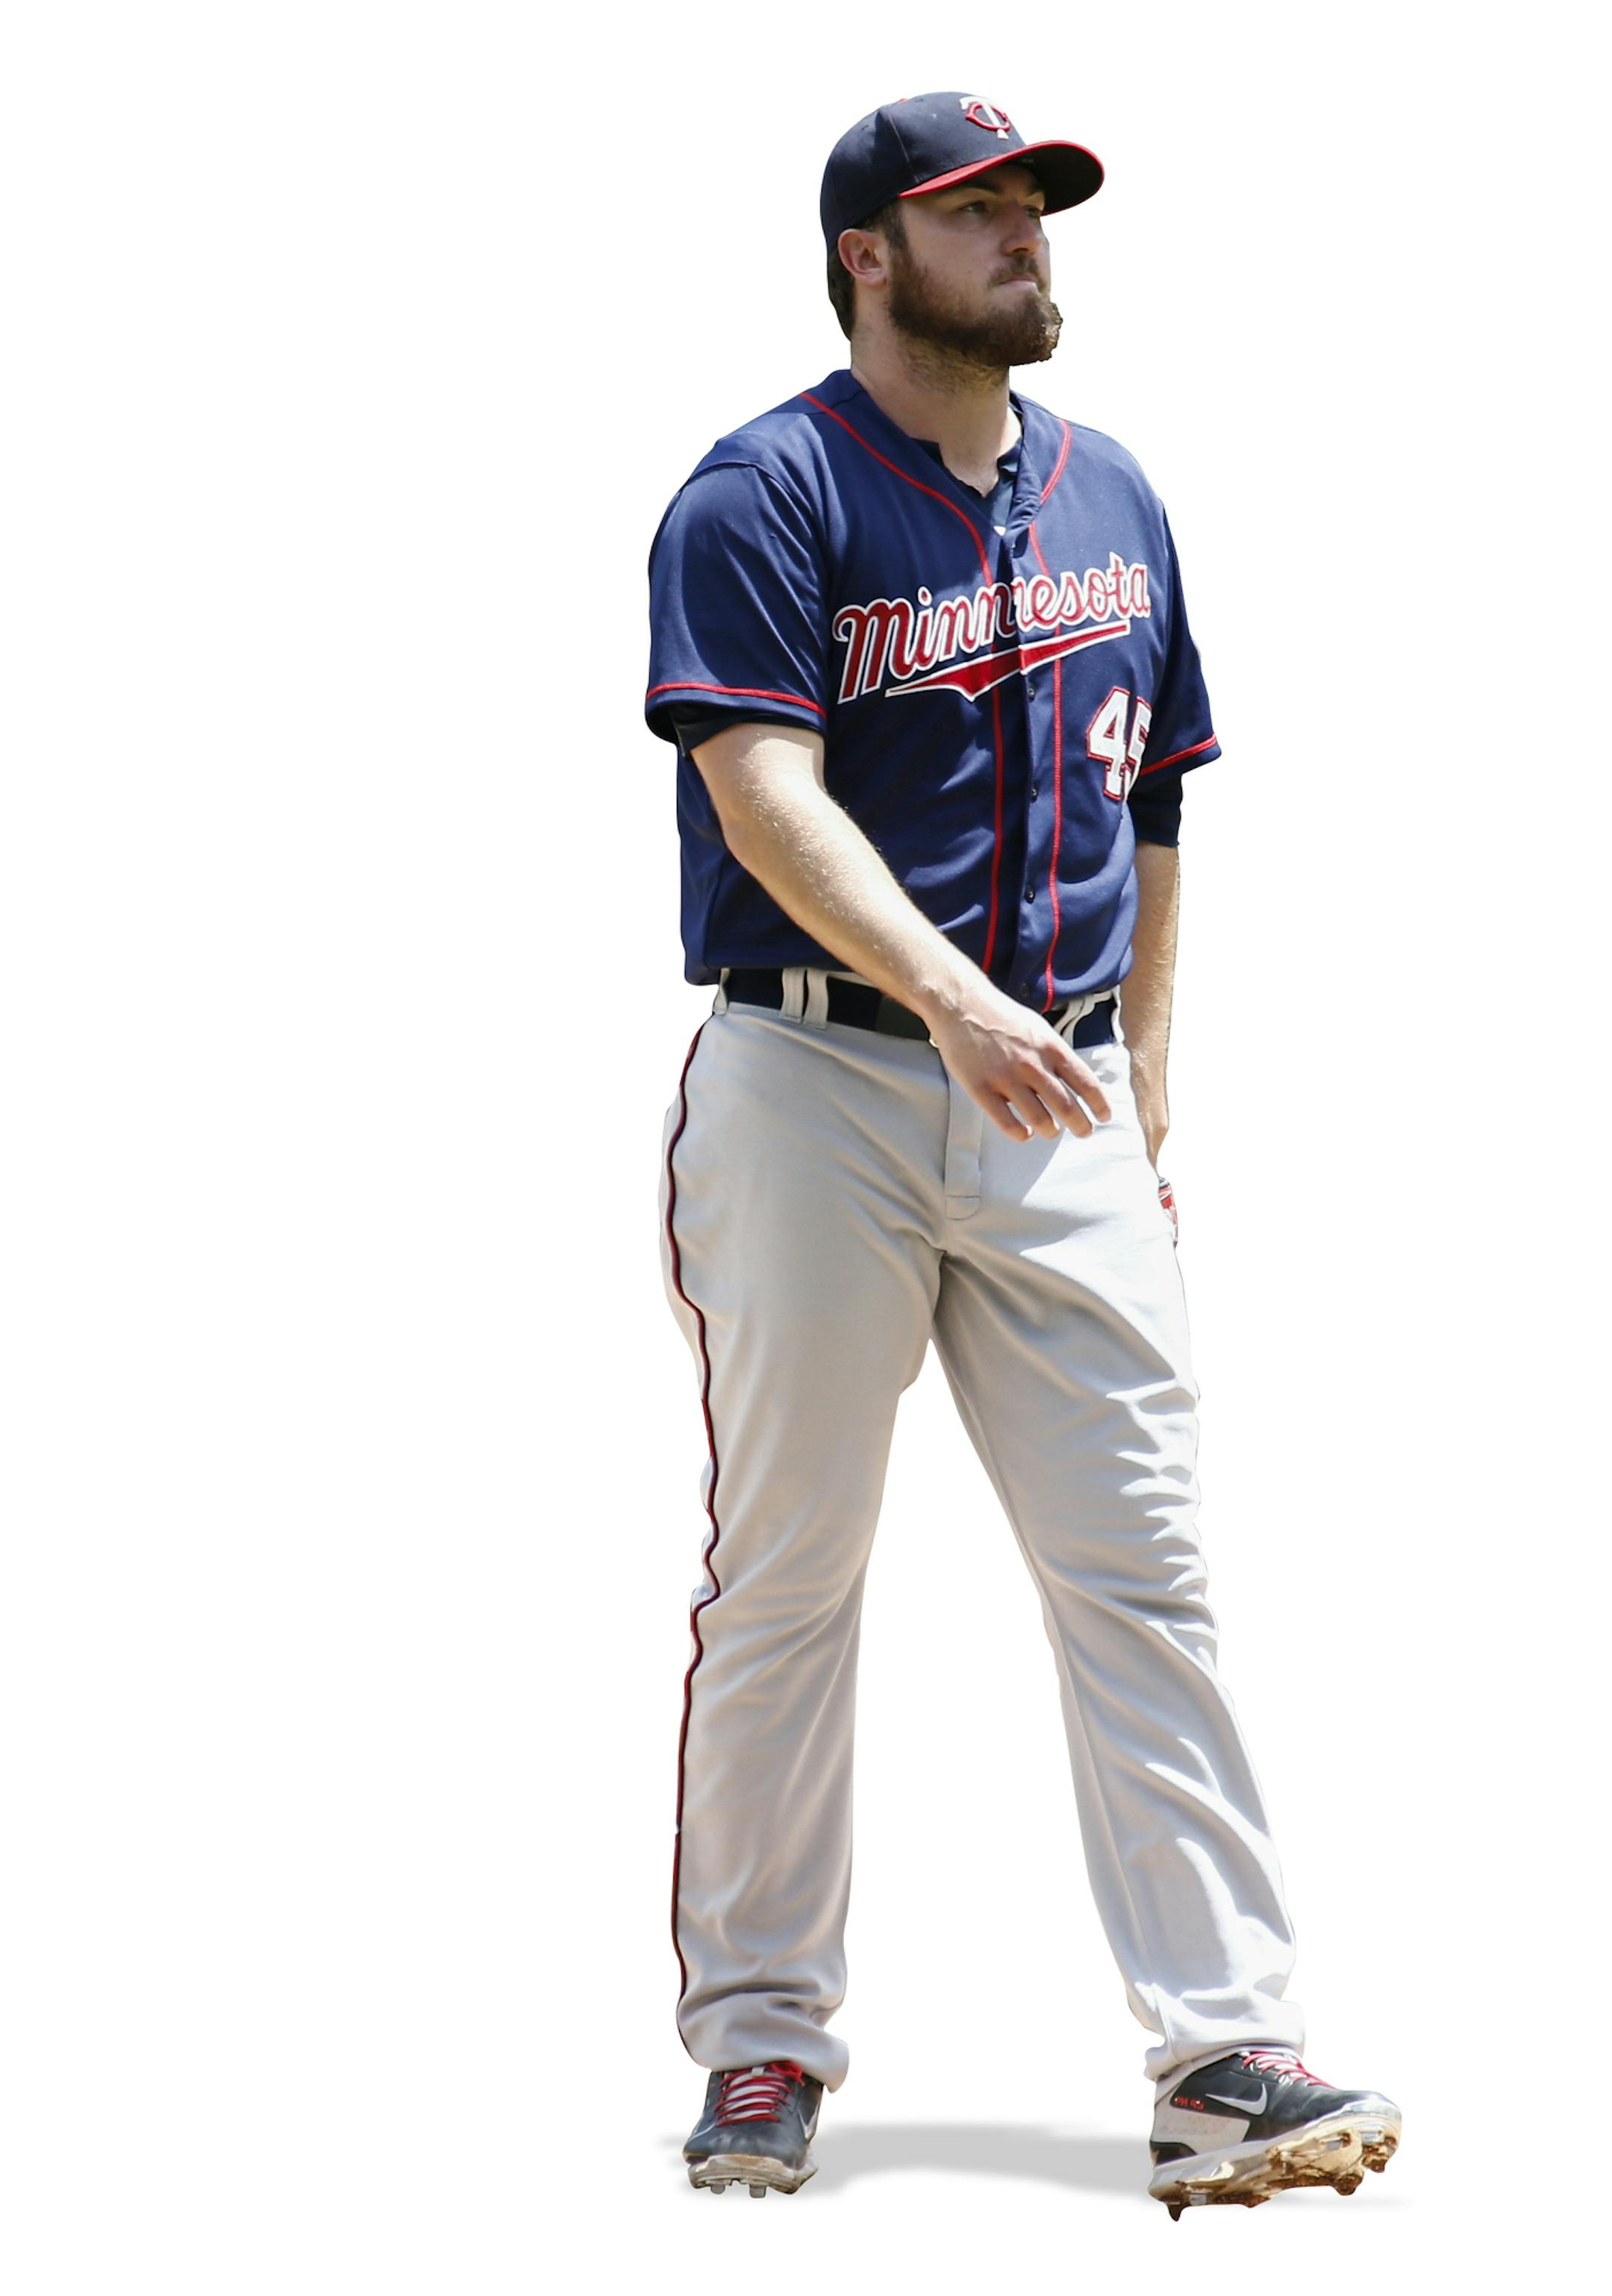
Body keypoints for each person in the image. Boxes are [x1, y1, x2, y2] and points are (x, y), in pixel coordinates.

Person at [644, 92, 1402, 2215]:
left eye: (1033, 204)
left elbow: (1160, 800)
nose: (1024, 235)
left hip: (1055, 1099)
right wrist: (965, 1008)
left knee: (1142, 1562)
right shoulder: (764, 492)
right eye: (974, 208)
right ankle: (766, 2042)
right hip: (821, 1086)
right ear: (869, 253)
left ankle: (1228, 2046)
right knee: (791, 1574)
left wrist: (1145, 1079)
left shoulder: (1116, 492)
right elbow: (759, 791)